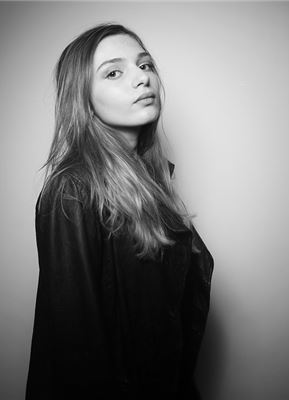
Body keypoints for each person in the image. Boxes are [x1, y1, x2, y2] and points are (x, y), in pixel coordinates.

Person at [26, 23, 214, 400]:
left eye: (145, 65)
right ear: (83, 101)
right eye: (114, 72)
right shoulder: (73, 190)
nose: (142, 78)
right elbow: (75, 349)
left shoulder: (153, 182)